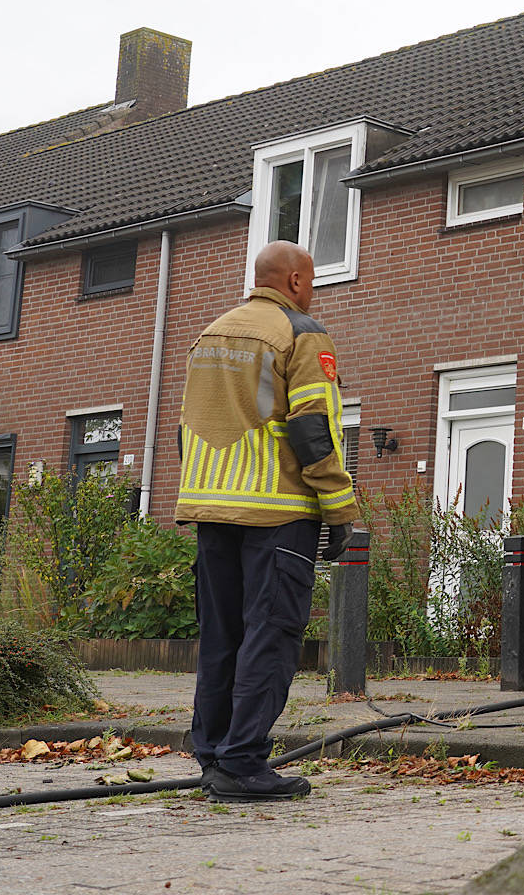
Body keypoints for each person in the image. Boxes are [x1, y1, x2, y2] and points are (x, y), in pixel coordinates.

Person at [176, 240, 360, 802]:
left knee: (222, 635)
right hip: (276, 512)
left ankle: (211, 754)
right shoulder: (302, 332)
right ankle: (242, 762)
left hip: (212, 508)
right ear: (298, 280)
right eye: (313, 280)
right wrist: (339, 505)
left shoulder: (209, 334)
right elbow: (312, 428)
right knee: (271, 634)